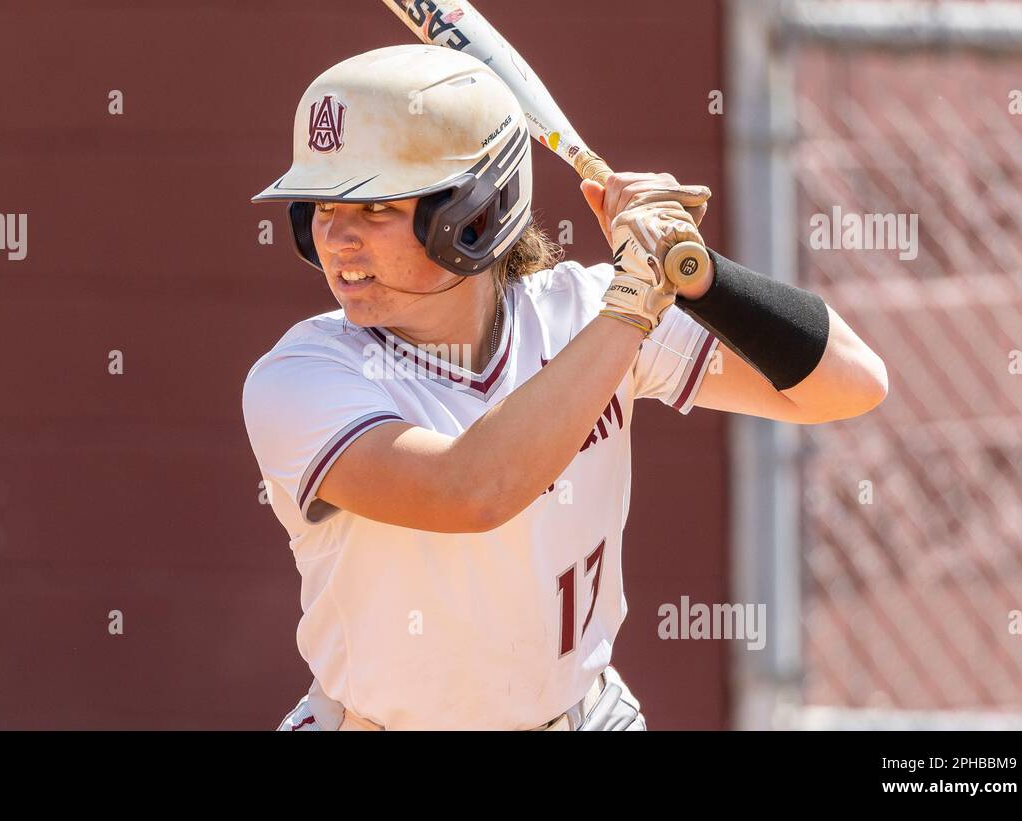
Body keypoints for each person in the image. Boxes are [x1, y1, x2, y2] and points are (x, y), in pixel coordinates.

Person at [244, 44, 887, 730]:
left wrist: (697, 274)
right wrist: (635, 302)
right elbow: (472, 489)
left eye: (373, 207)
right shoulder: (301, 376)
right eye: (319, 206)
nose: (337, 237)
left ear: (473, 213)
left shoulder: (586, 313)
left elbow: (849, 384)